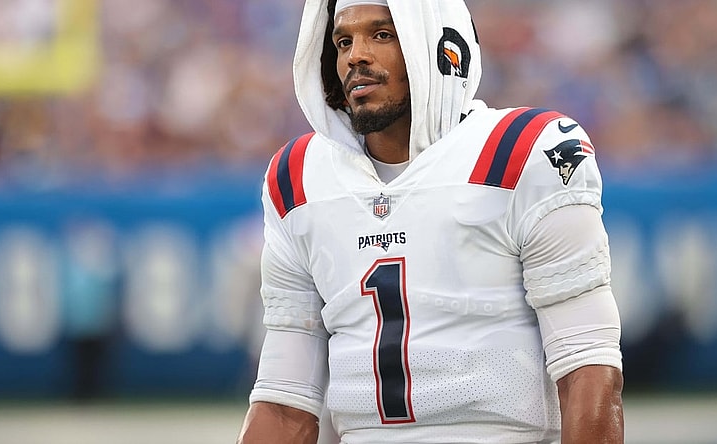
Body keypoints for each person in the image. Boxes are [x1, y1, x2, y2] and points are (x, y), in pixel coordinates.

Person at [238, 0, 624, 443]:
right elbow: (284, 401)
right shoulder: (299, 177)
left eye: (382, 34)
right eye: (343, 41)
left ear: (442, 46)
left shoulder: (523, 152)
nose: (355, 55)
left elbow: (589, 369)